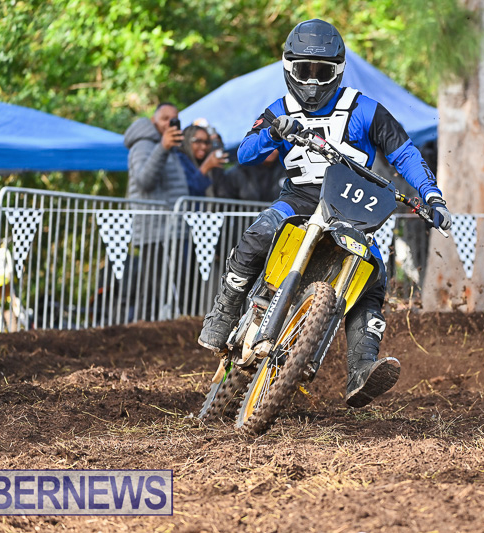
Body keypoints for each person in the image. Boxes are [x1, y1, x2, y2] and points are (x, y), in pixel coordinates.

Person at [198, 19, 451, 408]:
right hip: (299, 199)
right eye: (304, 70)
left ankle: (362, 368)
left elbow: (405, 154)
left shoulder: (366, 110)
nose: (313, 81)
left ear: (338, 71)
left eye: (322, 72)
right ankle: (223, 313)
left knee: (375, 275)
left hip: (351, 205)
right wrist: (273, 131)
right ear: (289, 69)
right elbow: (245, 153)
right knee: (258, 233)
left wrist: (432, 197)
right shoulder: (277, 109)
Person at [123, 103, 189, 319]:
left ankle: (144, 331)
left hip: (169, 228)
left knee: (155, 288)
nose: (170, 122)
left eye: (174, 118)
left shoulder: (169, 147)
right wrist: (162, 147)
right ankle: (143, 331)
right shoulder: (143, 145)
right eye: (165, 118)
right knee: (154, 289)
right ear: (153, 121)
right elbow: (144, 181)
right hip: (154, 229)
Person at [214, 149, 285, 202]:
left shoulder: (287, 169)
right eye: (267, 145)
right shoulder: (239, 171)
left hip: (278, 220)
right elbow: (226, 201)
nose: (271, 149)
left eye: (275, 145)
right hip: (244, 221)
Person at [177, 124, 227, 197]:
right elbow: (189, 190)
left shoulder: (210, 165)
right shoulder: (179, 160)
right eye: (198, 141)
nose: (204, 147)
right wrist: (205, 168)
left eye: (206, 142)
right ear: (187, 140)